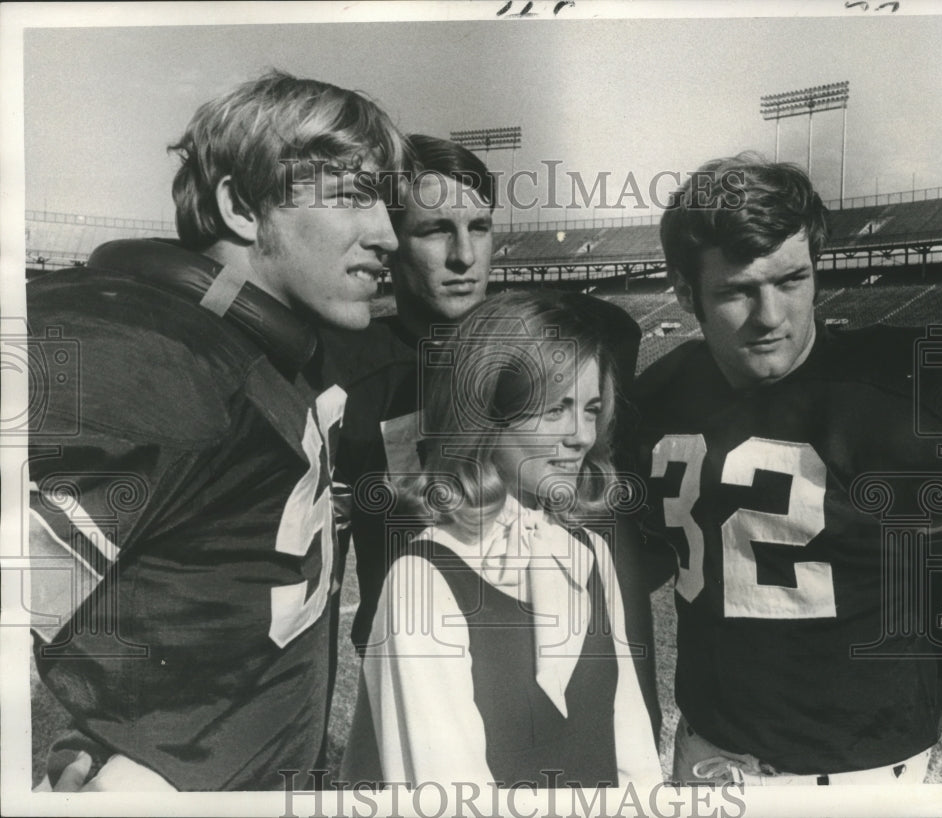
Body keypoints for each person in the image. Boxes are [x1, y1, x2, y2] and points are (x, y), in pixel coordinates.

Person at [27, 70, 404, 790]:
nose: (387, 233)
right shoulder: (161, 359)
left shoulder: (272, 350)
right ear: (239, 206)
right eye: (354, 196)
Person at [633, 153, 942, 785]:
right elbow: (645, 556)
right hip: (707, 755)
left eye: (792, 280)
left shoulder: (903, 397)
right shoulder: (662, 391)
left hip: (859, 775)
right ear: (685, 293)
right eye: (738, 290)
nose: (771, 316)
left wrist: (900, 696)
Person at [330, 134, 661, 741]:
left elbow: (615, 545)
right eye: (434, 230)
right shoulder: (348, 374)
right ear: (390, 240)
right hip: (420, 659)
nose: (464, 256)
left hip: (553, 652)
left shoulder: (553, 345)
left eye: (479, 227)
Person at [340, 290, 662, 787]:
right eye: (555, 409)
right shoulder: (422, 583)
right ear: (485, 413)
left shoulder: (590, 553)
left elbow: (633, 752)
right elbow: (446, 795)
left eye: (592, 408)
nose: (581, 435)